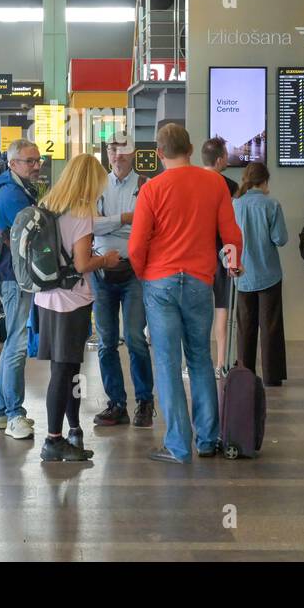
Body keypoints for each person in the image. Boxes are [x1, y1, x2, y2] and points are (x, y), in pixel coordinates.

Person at [129, 123, 243, 464]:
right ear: (191, 150)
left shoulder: (151, 189)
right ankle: (208, 439)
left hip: (160, 282)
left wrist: (144, 275)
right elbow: (231, 234)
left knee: (166, 362)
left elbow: (136, 245)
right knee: (199, 360)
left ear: (160, 154)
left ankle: (178, 445)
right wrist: (234, 261)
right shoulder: (214, 183)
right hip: (199, 280)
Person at [32, 155, 122, 462]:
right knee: (64, 371)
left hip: (46, 297)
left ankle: (73, 431)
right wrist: (106, 260)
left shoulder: (49, 204)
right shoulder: (82, 211)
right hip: (71, 302)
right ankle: (53, 440)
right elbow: (83, 262)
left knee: (67, 369)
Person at [91, 140, 155, 429]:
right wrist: (124, 219)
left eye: (123, 150)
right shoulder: (96, 185)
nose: (117, 155)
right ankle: (116, 403)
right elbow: (89, 225)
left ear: (133, 154)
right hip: (101, 272)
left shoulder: (146, 185)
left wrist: (109, 221)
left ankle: (144, 400)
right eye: (112, 150)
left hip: (134, 273)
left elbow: (146, 226)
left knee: (135, 338)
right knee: (105, 342)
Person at [0, 138, 44, 440]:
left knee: (13, 341)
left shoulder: (20, 190)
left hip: (15, 276)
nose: (36, 166)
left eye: (38, 160)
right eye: (29, 161)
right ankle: (14, 414)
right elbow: (35, 235)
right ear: (13, 164)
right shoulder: (12, 196)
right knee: (18, 345)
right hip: (14, 278)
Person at [232, 162, 289, 386]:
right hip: (269, 274)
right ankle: (272, 377)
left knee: (245, 327)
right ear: (264, 181)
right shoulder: (271, 205)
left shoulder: (234, 205)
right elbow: (280, 239)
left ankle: (244, 374)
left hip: (243, 276)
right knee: (270, 326)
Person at [202, 136, 239, 376]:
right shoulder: (231, 187)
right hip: (222, 254)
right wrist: (234, 258)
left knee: (195, 310)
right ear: (219, 159)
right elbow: (231, 226)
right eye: (226, 155)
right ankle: (221, 364)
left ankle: (194, 365)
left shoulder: (191, 183)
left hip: (197, 254)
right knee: (222, 308)